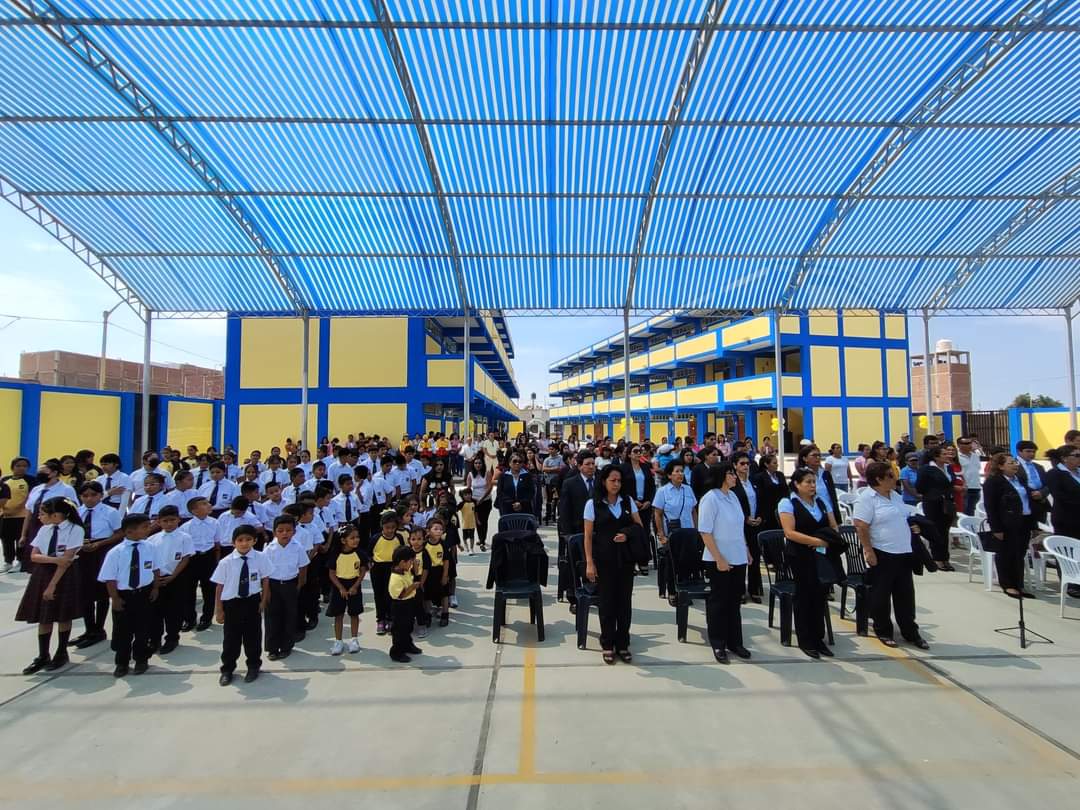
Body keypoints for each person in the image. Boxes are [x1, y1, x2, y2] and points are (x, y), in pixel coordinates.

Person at [853, 462, 930, 649]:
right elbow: (861, 526)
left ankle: (910, 631)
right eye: (890, 475)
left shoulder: (895, 496)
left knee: (905, 595)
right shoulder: (867, 499)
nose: (894, 478)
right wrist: (868, 550)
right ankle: (883, 630)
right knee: (881, 595)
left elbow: (902, 517)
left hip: (903, 551)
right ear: (878, 479)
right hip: (883, 552)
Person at [583, 465, 644, 665]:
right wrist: (590, 563)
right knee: (607, 604)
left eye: (619, 481)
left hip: (625, 561)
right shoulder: (593, 504)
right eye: (612, 480)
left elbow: (639, 527)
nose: (616, 484)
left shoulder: (627, 502)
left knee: (624, 604)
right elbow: (588, 537)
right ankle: (608, 643)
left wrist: (626, 534)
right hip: (604, 561)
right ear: (604, 481)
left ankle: (623, 643)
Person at [16, 497, 84, 674]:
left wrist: (52, 585)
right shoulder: (45, 530)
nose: (39, 516)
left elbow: (67, 561)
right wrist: (54, 559)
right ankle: (42, 655)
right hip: (44, 572)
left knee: (63, 615)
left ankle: (61, 652)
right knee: (43, 615)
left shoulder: (75, 529)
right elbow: (34, 556)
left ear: (56, 515)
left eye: (43, 513)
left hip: (65, 574)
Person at [778, 469, 838, 659]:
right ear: (797, 484)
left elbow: (833, 525)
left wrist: (828, 540)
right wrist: (816, 542)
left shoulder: (821, 502)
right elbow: (789, 532)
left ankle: (818, 638)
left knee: (820, 596)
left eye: (814, 482)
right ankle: (806, 639)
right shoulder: (788, 503)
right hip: (800, 555)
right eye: (808, 482)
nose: (812, 486)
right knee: (804, 596)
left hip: (821, 555)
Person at [698, 463, 751, 664]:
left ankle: (735, 642)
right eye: (731, 473)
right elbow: (705, 531)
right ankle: (718, 642)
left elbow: (739, 528)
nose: (735, 477)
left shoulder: (733, 496)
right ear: (721, 475)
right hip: (718, 558)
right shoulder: (710, 498)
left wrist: (745, 549)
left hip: (738, 556)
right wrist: (719, 558)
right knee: (718, 602)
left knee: (734, 601)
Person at [96, 513, 158, 677]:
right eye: (145, 527)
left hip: (144, 593)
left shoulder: (150, 547)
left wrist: (155, 588)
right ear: (130, 531)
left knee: (143, 629)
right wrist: (115, 598)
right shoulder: (116, 552)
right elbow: (109, 578)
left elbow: (155, 569)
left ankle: (141, 659)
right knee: (123, 631)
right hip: (124, 595)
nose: (148, 529)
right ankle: (122, 662)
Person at [212, 525, 272, 686]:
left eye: (248, 540)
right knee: (231, 638)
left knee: (253, 637)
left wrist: (263, 600)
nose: (244, 543)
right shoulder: (226, 562)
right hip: (232, 603)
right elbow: (219, 586)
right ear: (233, 543)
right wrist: (219, 609)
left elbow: (265, 579)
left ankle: (253, 666)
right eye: (240, 540)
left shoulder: (261, 557)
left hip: (252, 602)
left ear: (255, 541)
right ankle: (227, 669)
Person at [73, 481, 122, 649]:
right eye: (85, 496)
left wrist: (100, 544)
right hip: (83, 550)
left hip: (102, 549)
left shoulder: (110, 512)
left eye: (93, 495)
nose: (89, 499)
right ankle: (89, 628)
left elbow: (119, 533)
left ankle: (99, 629)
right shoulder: (77, 512)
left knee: (101, 591)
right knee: (84, 591)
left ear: (101, 495)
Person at [982, 454, 1038, 599]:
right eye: (1011, 463)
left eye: (1015, 462)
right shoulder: (993, 482)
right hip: (1006, 524)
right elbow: (991, 507)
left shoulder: (1019, 480)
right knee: (1006, 554)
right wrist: (996, 528)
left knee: (1019, 554)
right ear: (1001, 466)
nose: (1015, 465)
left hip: (1023, 521)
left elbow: (1027, 501)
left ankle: (1018, 583)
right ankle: (1008, 584)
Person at [262, 514, 308, 661]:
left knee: (289, 616)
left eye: (288, 530)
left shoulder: (297, 547)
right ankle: (272, 648)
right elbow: (264, 572)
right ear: (275, 532)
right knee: (272, 617)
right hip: (273, 586)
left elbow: (303, 566)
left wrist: (299, 584)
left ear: (294, 532)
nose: (285, 533)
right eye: (280, 530)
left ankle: (286, 646)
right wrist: (266, 591)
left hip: (290, 584)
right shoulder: (269, 549)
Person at [19, 460, 78, 573]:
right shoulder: (36, 489)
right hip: (35, 527)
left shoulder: (66, 489)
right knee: (34, 561)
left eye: (43, 472)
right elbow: (29, 513)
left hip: (54, 528)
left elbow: (74, 510)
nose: (40, 474)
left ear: (54, 473)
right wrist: (23, 534)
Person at [148, 505, 193, 655]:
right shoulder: (153, 539)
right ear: (159, 522)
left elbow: (185, 558)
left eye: (172, 520)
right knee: (155, 612)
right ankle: (154, 639)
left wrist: (173, 576)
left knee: (173, 611)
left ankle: (172, 638)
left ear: (178, 520)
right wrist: (155, 580)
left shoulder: (184, 537)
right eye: (165, 521)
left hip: (176, 578)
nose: (169, 523)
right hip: (157, 580)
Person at [558, 451, 596, 611]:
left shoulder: (600, 482)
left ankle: (591, 592)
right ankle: (573, 597)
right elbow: (564, 509)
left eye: (593, 464)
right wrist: (567, 533)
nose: (591, 467)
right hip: (575, 530)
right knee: (574, 565)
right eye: (587, 464)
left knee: (591, 562)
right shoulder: (570, 483)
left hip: (595, 531)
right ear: (579, 466)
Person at [326, 524, 367, 655]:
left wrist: (355, 586)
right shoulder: (336, 554)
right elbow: (332, 573)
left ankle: (354, 640)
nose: (356, 540)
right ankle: (338, 641)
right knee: (338, 614)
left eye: (357, 537)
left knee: (354, 613)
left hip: (354, 585)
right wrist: (341, 588)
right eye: (352, 538)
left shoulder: (360, 553)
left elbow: (362, 570)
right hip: (339, 586)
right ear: (343, 540)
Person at [1045, 445, 1080, 598]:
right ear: (1065, 458)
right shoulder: (1055, 474)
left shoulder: (1078, 472)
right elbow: (1060, 496)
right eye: (1076, 455)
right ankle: (1070, 583)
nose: (1079, 458)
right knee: (1067, 551)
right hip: (1066, 518)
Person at [915, 445, 956, 570]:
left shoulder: (948, 468)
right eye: (944, 454)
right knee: (935, 530)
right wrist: (933, 494)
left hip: (946, 503)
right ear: (936, 456)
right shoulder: (927, 469)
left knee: (945, 531)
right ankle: (937, 558)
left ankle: (945, 558)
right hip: (933, 503)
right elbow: (920, 486)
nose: (947, 456)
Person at [183, 496, 219, 631]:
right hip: (192, 558)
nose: (208, 505)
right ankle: (189, 619)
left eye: (208, 503)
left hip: (208, 557)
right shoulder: (186, 527)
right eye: (204, 504)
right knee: (189, 590)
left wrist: (216, 561)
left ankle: (206, 618)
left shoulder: (215, 523)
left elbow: (217, 544)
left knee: (209, 590)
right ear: (194, 511)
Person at [732, 452, 764, 603]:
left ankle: (754, 588)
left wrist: (759, 517)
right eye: (742, 464)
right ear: (735, 466)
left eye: (747, 464)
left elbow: (760, 502)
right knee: (740, 558)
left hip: (754, 524)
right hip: (739, 525)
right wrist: (745, 518)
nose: (745, 466)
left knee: (755, 557)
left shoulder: (753, 482)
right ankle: (739, 590)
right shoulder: (733, 484)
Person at [620, 444, 656, 576]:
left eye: (640, 451)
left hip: (644, 505)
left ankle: (643, 560)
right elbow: (621, 487)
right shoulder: (623, 468)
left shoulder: (646, 467)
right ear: (629, 454)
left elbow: (652, 486)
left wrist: (649, 501)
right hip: (630, 504)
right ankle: (631, 562)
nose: (638, 453)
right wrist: (631, 500)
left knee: (644, 532)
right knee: (630, 533)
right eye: (635, 451)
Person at [369, 511, 405, 635]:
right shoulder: (375, 538)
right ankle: (380, 619)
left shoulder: (399, 538)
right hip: (378, 569)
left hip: (393, 569)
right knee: (378, 594)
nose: (390, 530)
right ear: (382, 526)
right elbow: (368, 554)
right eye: (387, 528)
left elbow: (402, 554)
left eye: (393, 528)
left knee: (390, 594)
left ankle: (390, 618)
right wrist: (369, 564)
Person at [388, 544, 423, 663]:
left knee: (408, 626)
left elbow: (415, 573)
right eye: (410, 562)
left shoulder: (405, 571)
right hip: (400, 606)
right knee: (399, 630)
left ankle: (408, 645)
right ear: (402, 562)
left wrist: (415, 567)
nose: (411, 564)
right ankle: (396, 652)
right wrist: (413, 587)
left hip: (409, 603)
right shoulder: (395, 578)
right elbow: (401, 595)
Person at [653, 459, 697, 547]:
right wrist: (661, 535)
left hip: (690, 532)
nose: (680, 474)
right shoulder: (662, 491)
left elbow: (693, 511)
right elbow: (657, 514)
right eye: (677, 471)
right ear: (669, 475)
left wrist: (697, 530)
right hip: (672, 534)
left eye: (682, 471)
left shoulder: (688, 489)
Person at [1, 456, 32, 572]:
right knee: (6, 539)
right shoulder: (5, 480)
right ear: (12, 467)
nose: (21, 468)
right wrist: (5, 509)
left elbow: (31, 496)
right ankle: (8, 561)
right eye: (18, 466)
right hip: (6, 514)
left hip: (22, 515)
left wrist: (19, 507)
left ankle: (20, 561)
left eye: (24, 466)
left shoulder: (30, 480)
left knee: (20, 538)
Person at [1014, 441, 1050, 524]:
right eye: (1028, 451)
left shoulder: (1039, 467)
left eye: (1034, 452)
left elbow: (1048, 484)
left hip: (1040, 502)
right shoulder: (1013, 465)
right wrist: (1032, 493)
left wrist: (1042, 493)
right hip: (1023, 502)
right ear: (1019, 451)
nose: (1032, 454)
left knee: (1040, 530)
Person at [465, 456, 494, 551]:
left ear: (483, 464)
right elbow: (468, 489)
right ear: (473, 465)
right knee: (478, 521)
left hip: (485, 500)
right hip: (474, 501)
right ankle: (481, 538)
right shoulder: (470, 474)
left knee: (484, 520)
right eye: (476, 463)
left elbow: (490, 487)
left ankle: (482, 540)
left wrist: (482, 499)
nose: (478, 465)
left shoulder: (487, 473)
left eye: (480, 463)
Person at [752, 453, 787, 531]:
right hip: (767, 512)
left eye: (777, 463)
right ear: (766, 464)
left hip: (781, 509)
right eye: (774, 463)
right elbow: (760, 496)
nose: (777, 465)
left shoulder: (780, 475)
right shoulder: (760, 477)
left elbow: (786, 490)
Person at [956, 436, 984, 515]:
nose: (969, 445)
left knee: (972, 511)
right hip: (965, 488)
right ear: (959, 445)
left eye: (970, 443)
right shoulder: (956, 457)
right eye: (966, 443)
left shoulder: (975, 456)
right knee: (964, 511)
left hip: (976, 487)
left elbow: (977, 469)